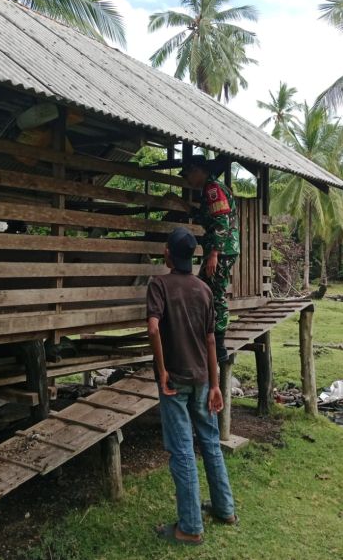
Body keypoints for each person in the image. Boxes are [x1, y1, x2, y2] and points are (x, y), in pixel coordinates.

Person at [147, 227, 238, 546]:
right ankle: (225, 510)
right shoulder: (204, 290)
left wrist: (161, 372)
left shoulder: (159, 285)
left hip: (175, 381)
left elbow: (153, 327)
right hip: (202, 379)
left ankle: (190, 527)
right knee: (210, 442)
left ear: (169, 254)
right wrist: (215, 385)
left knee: (183, 449)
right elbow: (212, 339)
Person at [181, 155, 240, 363]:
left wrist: (214, 253)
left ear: (198, 170)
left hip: (221, 250)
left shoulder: (212, 189)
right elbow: (207, 218)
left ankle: (220, 347)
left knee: (215, 294)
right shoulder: (210, 189)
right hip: (221, 249)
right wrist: (183, 206)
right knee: (204, 290)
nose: (187, 179)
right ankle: (210, 340)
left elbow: (221, 222)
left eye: (188, 174)